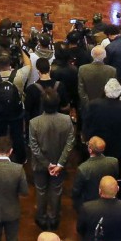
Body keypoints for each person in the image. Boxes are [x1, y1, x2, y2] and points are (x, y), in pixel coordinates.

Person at [29, 92, 74, 230]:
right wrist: (60, 164)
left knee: (41, 190)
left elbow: (34, 147)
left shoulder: (34, 122)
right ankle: (54, 219)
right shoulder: (67, 120)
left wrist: (47, 164)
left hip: (40, 165)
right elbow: (70, 143)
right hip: (59, 165)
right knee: (56, 190)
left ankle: (41, 218)